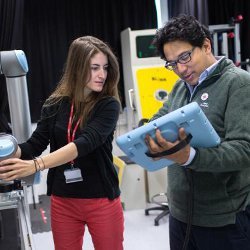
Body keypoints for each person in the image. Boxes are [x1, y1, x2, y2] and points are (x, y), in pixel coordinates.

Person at [0, 36, 124, 250]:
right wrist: (11, 151)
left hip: (101, 199)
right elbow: (35, 144)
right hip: (64, 199)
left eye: (104, 68)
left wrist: (36, 165)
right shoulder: (55, 104)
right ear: (77, 68)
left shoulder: (108, 105)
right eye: (94, 68)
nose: (102, 75)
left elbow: (85, 143)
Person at [145, 14, 250, 250]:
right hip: (181, 214)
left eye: (185, 57)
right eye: (172, 63)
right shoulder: (180, 88)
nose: (180, 69)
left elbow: (244, 150)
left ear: (205, 45)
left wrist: (190, 157)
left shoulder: (238, 83)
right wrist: (150, 137)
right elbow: (159, 120)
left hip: (224, 219)